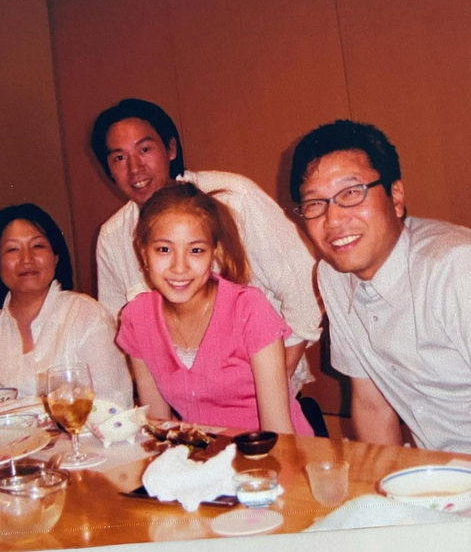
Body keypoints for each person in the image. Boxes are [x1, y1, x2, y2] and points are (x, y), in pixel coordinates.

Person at [91, 98, 322, 395]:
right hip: (178, 403)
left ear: (171, 148)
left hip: (262, 392)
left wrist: (272, 384)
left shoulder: (233, 198)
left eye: (145, 150)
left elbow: (305, 285)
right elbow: (118, 330)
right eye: (119, 158)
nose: (135, 168)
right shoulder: (112, 237)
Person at [289, 119, 471, 452]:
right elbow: (372, 404)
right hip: (435, 472)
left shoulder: (456, 267)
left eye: (350, 193)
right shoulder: (333, 276)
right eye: (314, 204)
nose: (333, 219)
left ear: (395, 196)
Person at [116, 182, 314, 435]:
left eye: (196, 250)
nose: (179, 267)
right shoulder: (137, 318)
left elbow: (279, 433)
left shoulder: (249, 310)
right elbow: (159, 424)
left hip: (272, 452)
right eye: (164, 250)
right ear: (143, 252)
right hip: (197, 454)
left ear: (214, 253)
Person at [0, 203, 133, 407]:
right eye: (12, 249)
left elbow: (115, 404)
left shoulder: (87, 314)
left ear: (55, 257)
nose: (27, 259)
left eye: (38, 246)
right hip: (2, 437)